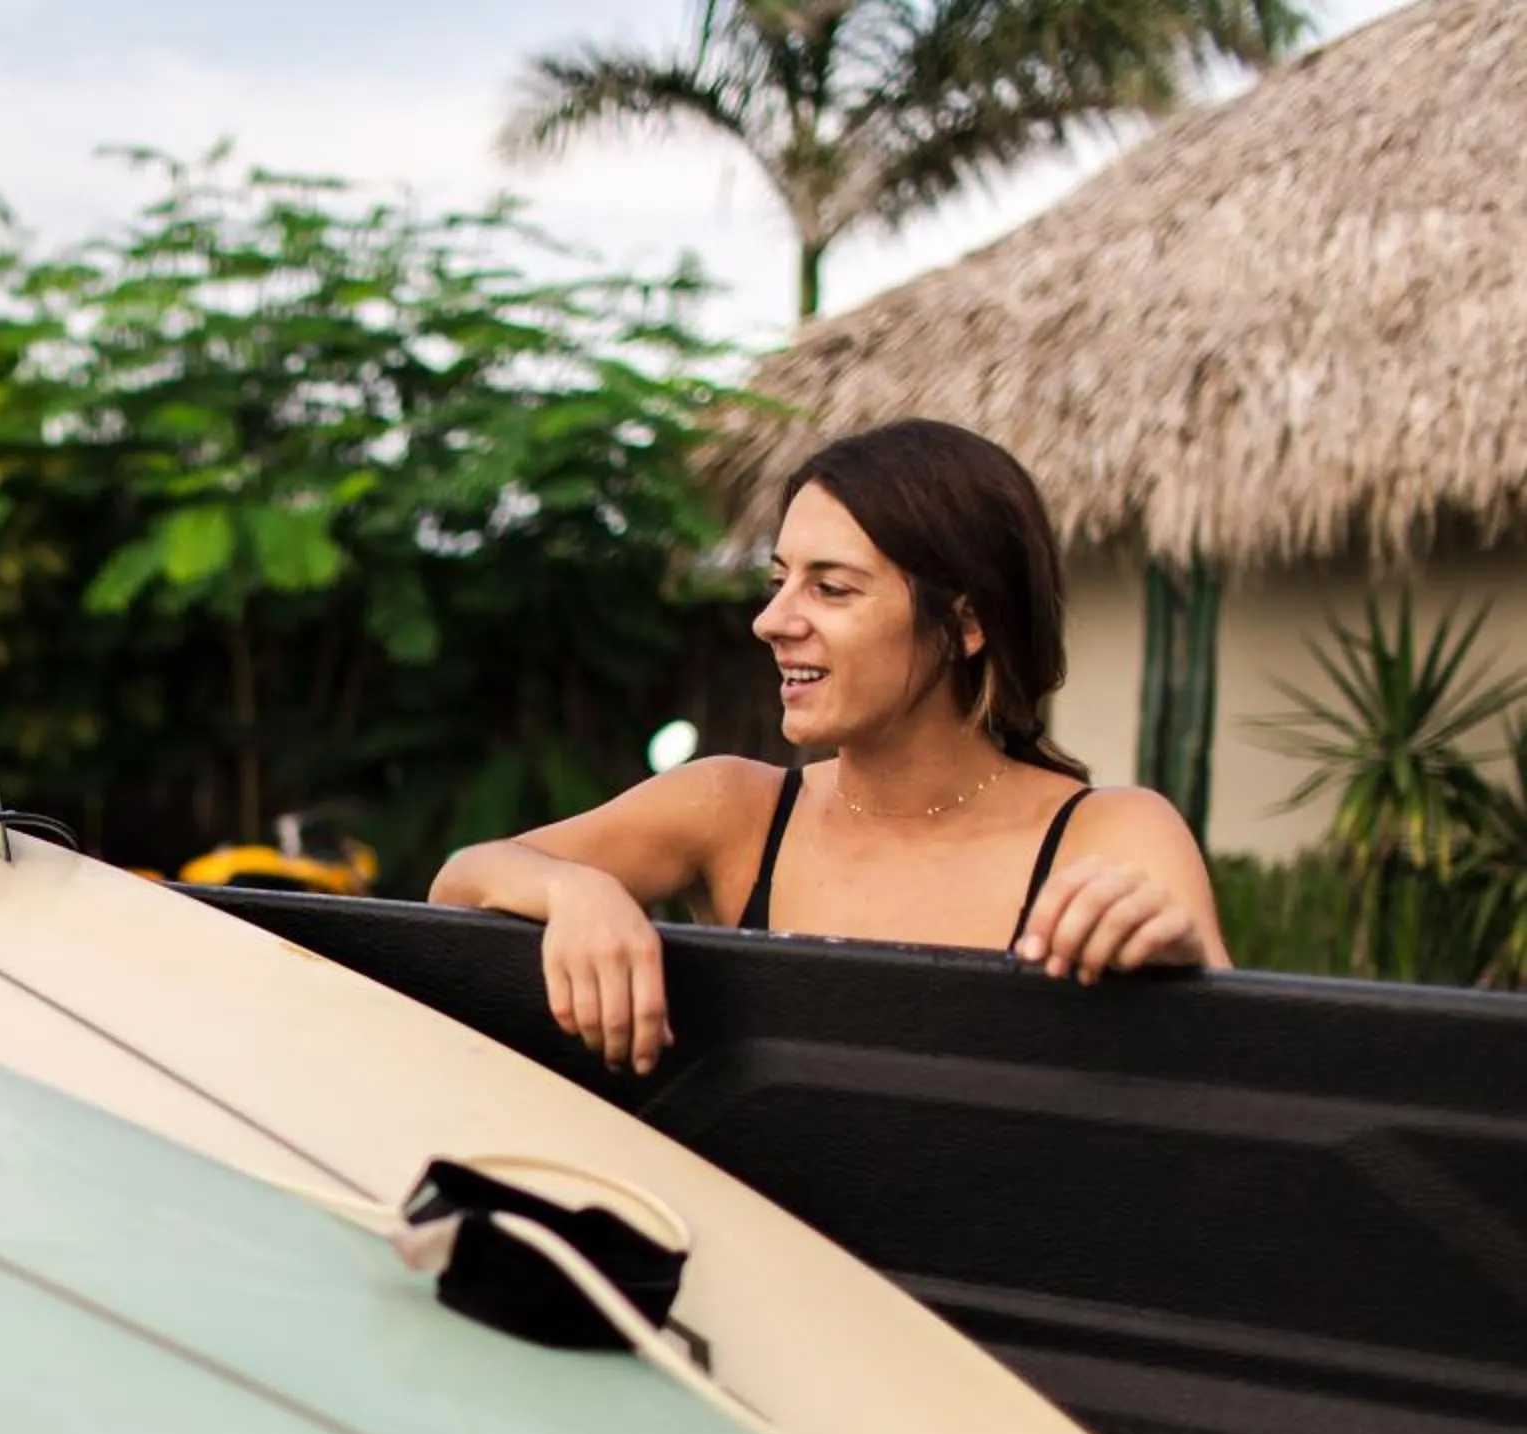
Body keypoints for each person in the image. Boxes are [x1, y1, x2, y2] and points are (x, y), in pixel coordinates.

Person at [428, 418, 1228, 1076]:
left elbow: (1243, 1082)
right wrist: (574, 892)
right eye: (778, 580)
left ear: (967, 623)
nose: (772, 620)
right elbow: (458, 886)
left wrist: (1179, 960)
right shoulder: (731, 810)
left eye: (830, 588)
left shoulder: (1110, 835)